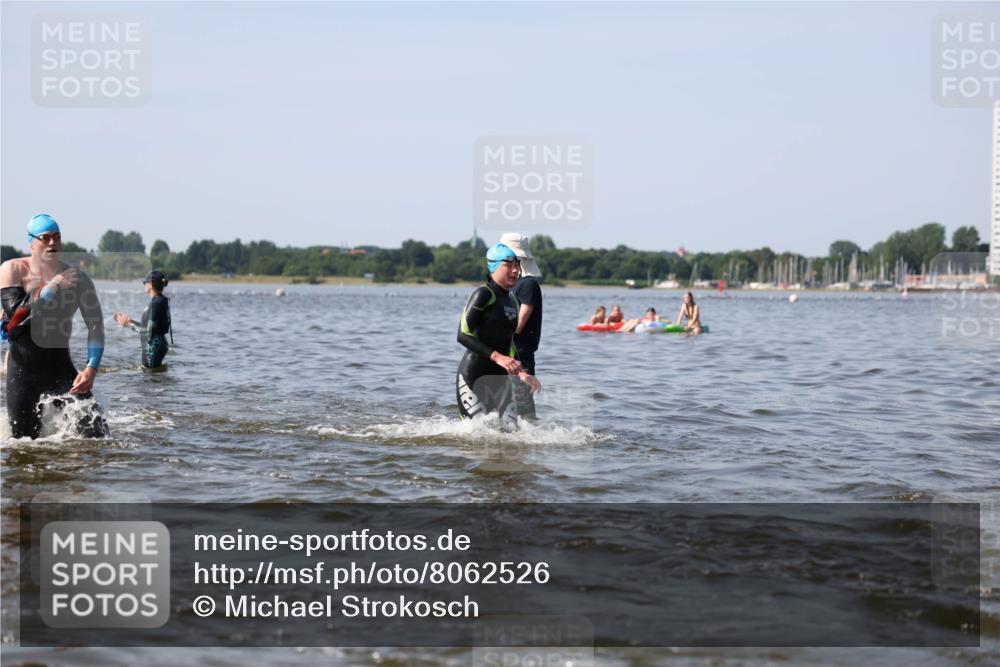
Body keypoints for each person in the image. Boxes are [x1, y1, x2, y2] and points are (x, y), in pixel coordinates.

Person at [0, 214, 106, 439]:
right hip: (23, 372)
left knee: (97, 436)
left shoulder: (79, 279)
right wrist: (54, 284)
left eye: (57, 237)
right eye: (45, 237)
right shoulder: (13, 270)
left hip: (60, 369)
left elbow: (95, 326)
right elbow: (17, 315)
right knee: (24, 445)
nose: (52, 243)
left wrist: (91, 368)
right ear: (31, 241)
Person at [456, 243, 540, 425]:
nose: (515, 270)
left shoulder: (513, 301)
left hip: (500, 379)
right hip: (474, 375)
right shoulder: (483, 294)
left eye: (516, 265)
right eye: (508, 265)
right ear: (493, 266)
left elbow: (509, 341)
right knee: (473, 437)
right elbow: (463, 334)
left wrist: (522, 373)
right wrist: (498, 358)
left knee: (512, 434)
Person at [501, 232, 543, 421]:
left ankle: (528, 443)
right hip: (509, 355)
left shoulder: (528, 285)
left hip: (519, 355)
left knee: (524, 412)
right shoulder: (515, 284)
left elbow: (517, 326)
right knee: (510, 410)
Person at [113, 270, 172, 369]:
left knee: (149, 379)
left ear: (151, 284)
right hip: (157, 344)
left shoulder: (156, 303)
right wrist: (131, 321)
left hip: (153, 347)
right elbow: (151, 327)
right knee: (152, 378)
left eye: (145, 282)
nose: (144, 285)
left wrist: (127, 325)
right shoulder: (159, 300)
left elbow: (148, 332)